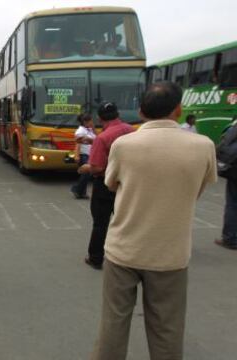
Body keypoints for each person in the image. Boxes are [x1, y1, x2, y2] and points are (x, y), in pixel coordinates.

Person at [90, 81, 217, 360]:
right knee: (167, 329)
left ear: (141, 111)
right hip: (170, 254)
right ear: (179, 110)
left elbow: (111, 184)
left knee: (114, 324)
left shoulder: (123, 145)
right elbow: (198, 188)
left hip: (123, 249)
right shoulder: (203, 146)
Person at [78, 102, 134, 270]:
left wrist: (86, 167)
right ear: (118, 114)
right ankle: (126, 257)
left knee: (100, 223)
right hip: (128, 182)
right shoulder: (132, 131)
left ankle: (95, 258)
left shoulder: (103, 138)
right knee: (126, 221)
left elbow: (97, 167)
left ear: (100, 118)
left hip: (105, 184)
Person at [215, 117, 237, 250]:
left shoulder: (234, 126)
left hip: (234, 171)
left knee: (233, 203)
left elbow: (224, 145)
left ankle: (230, 238)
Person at [71, 113, 96, 199]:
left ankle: (81, 192)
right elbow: (78, 144)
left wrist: (93, 128)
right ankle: (77, 189)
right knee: (87, 173)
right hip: (84, 154)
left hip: (90, 154)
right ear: (85, 122)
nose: (92, 122)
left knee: (86, 173)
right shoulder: (80, 131)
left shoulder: (89, 130)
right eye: (90, 121)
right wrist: (77, 155)